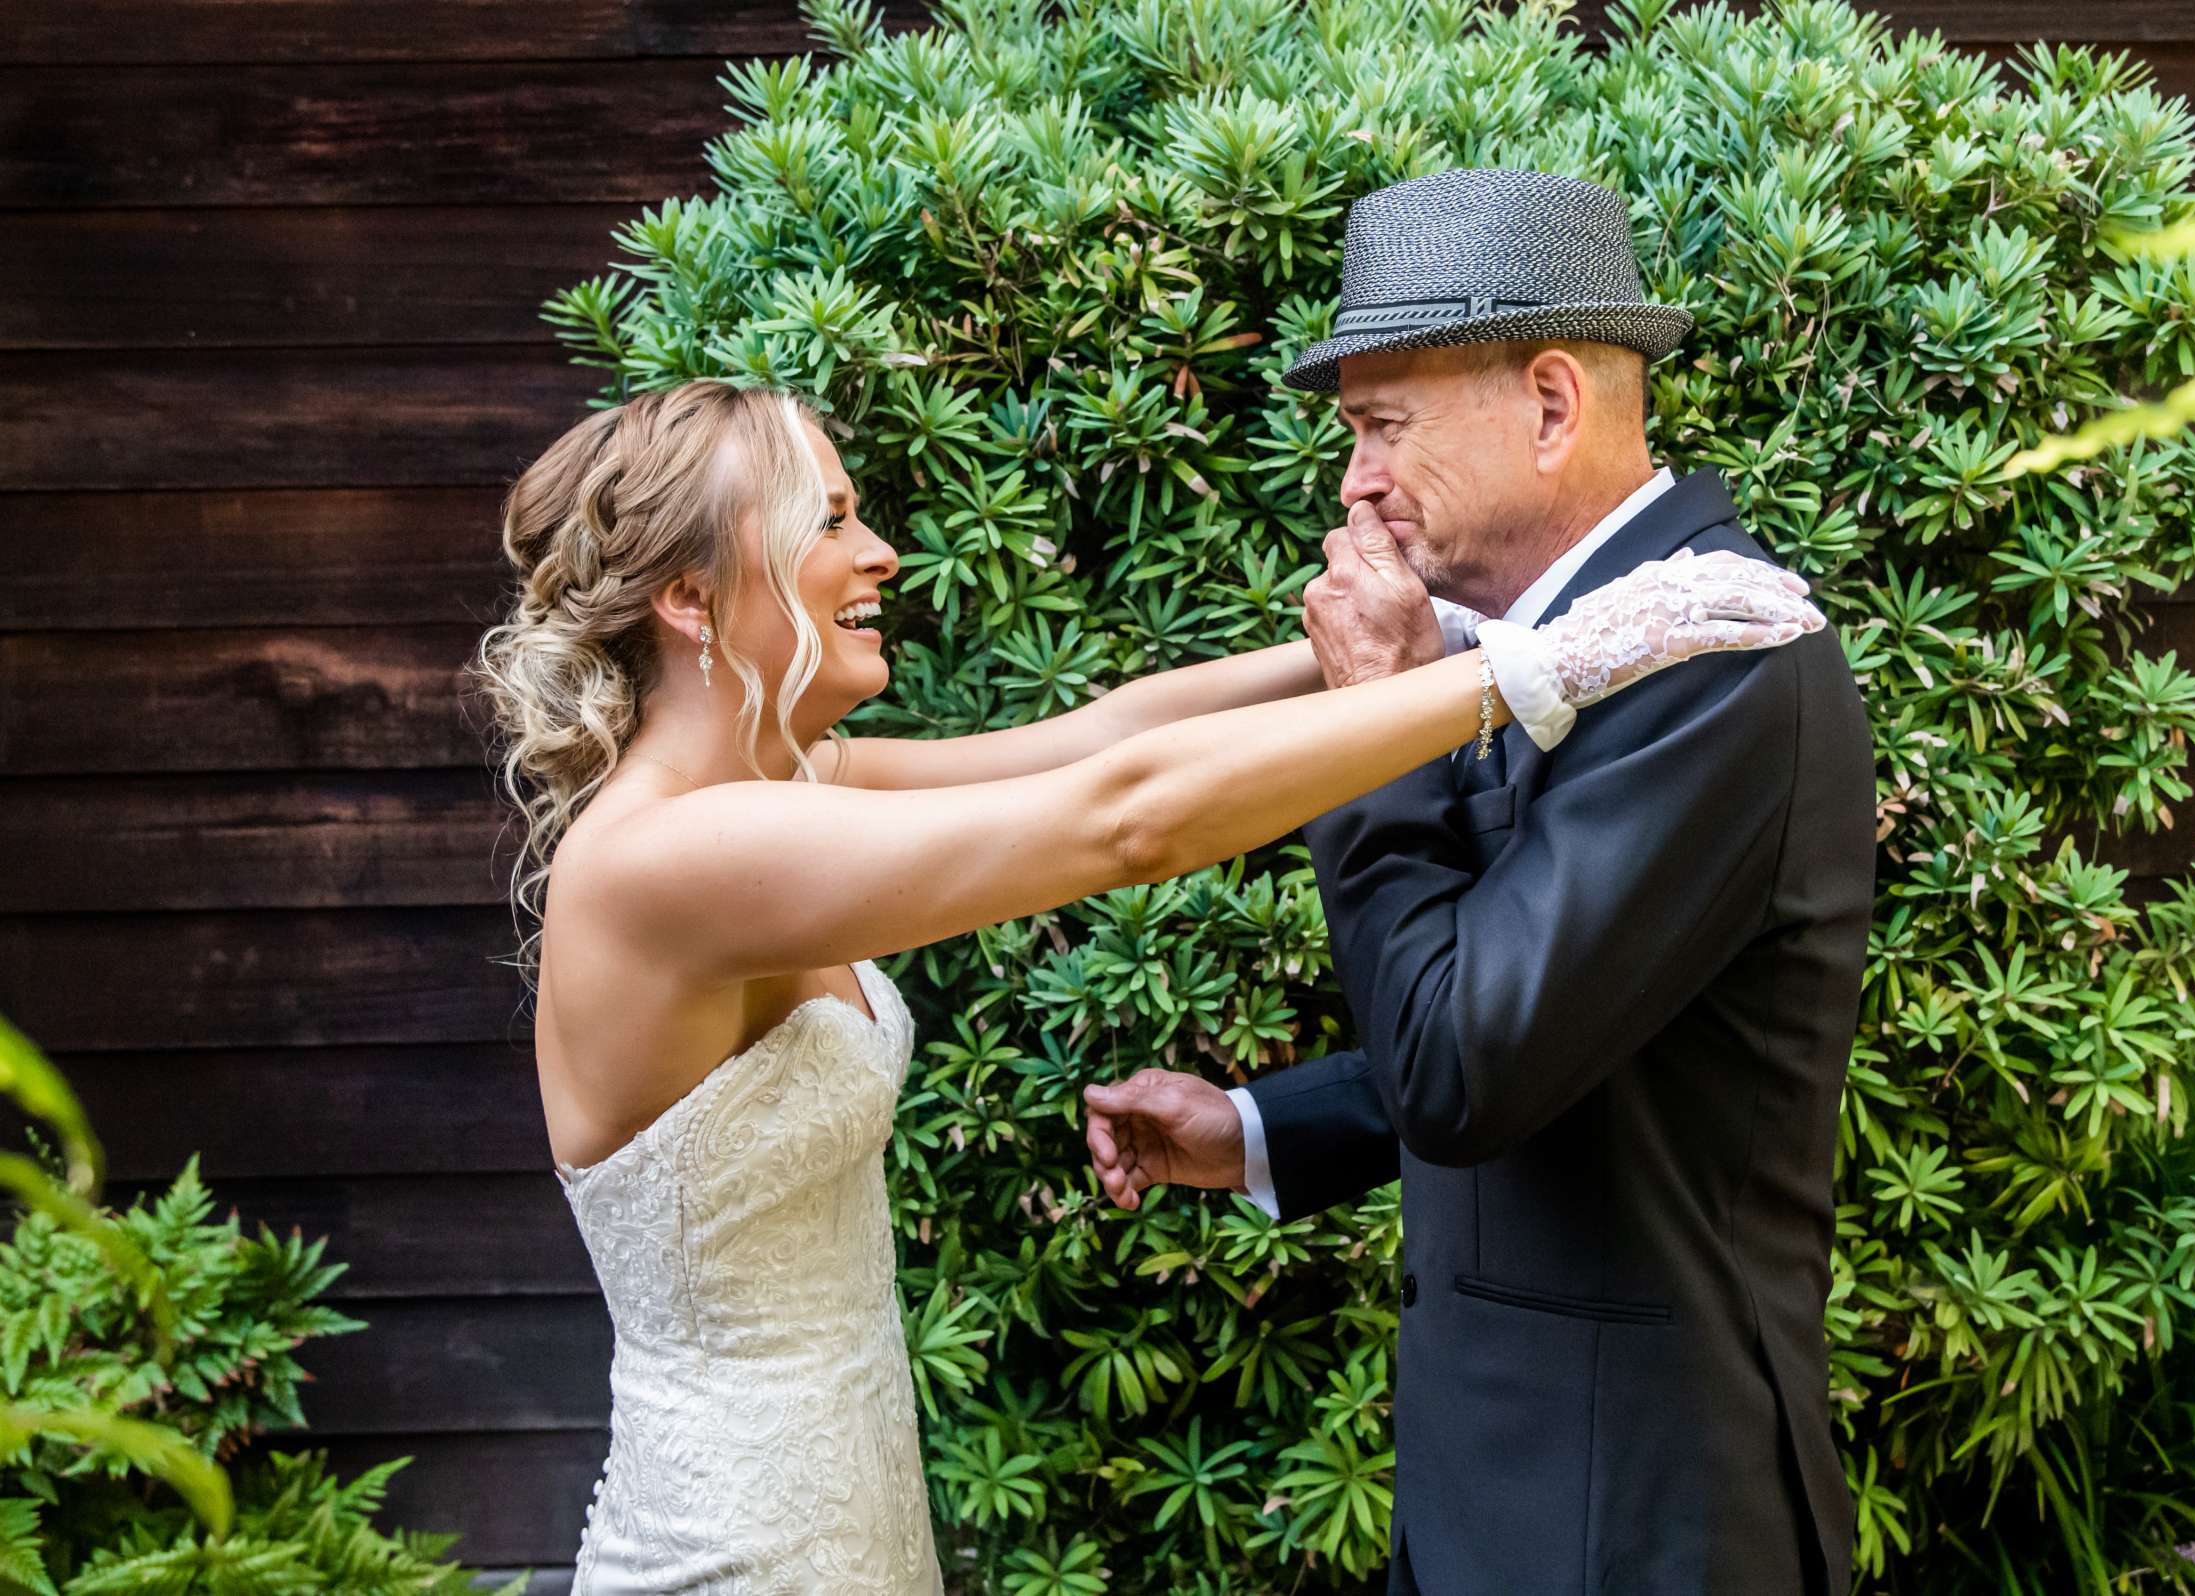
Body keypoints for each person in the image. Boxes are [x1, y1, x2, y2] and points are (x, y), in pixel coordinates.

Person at [469, 371, 1820, 1592]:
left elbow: (1109, 733)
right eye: (824, 524)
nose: (880, 550)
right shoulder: (666, 863)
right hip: (737, 1547)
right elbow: (1123, 820)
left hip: (848, 1521)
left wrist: (1450, 631)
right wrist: (1540, 671)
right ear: (691, 598)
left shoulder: (784, 788)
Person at [1081, 169, 1877, 1595]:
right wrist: (1265, 1129)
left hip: (1633, 1524)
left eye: (1382, 426)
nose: (1353, 480)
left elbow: (1468, 1062)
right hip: (1504, 1509)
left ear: (1554, 404)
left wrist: (1364, 726)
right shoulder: (1545, 646)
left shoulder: (1712, 658)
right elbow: (1558, 1015)